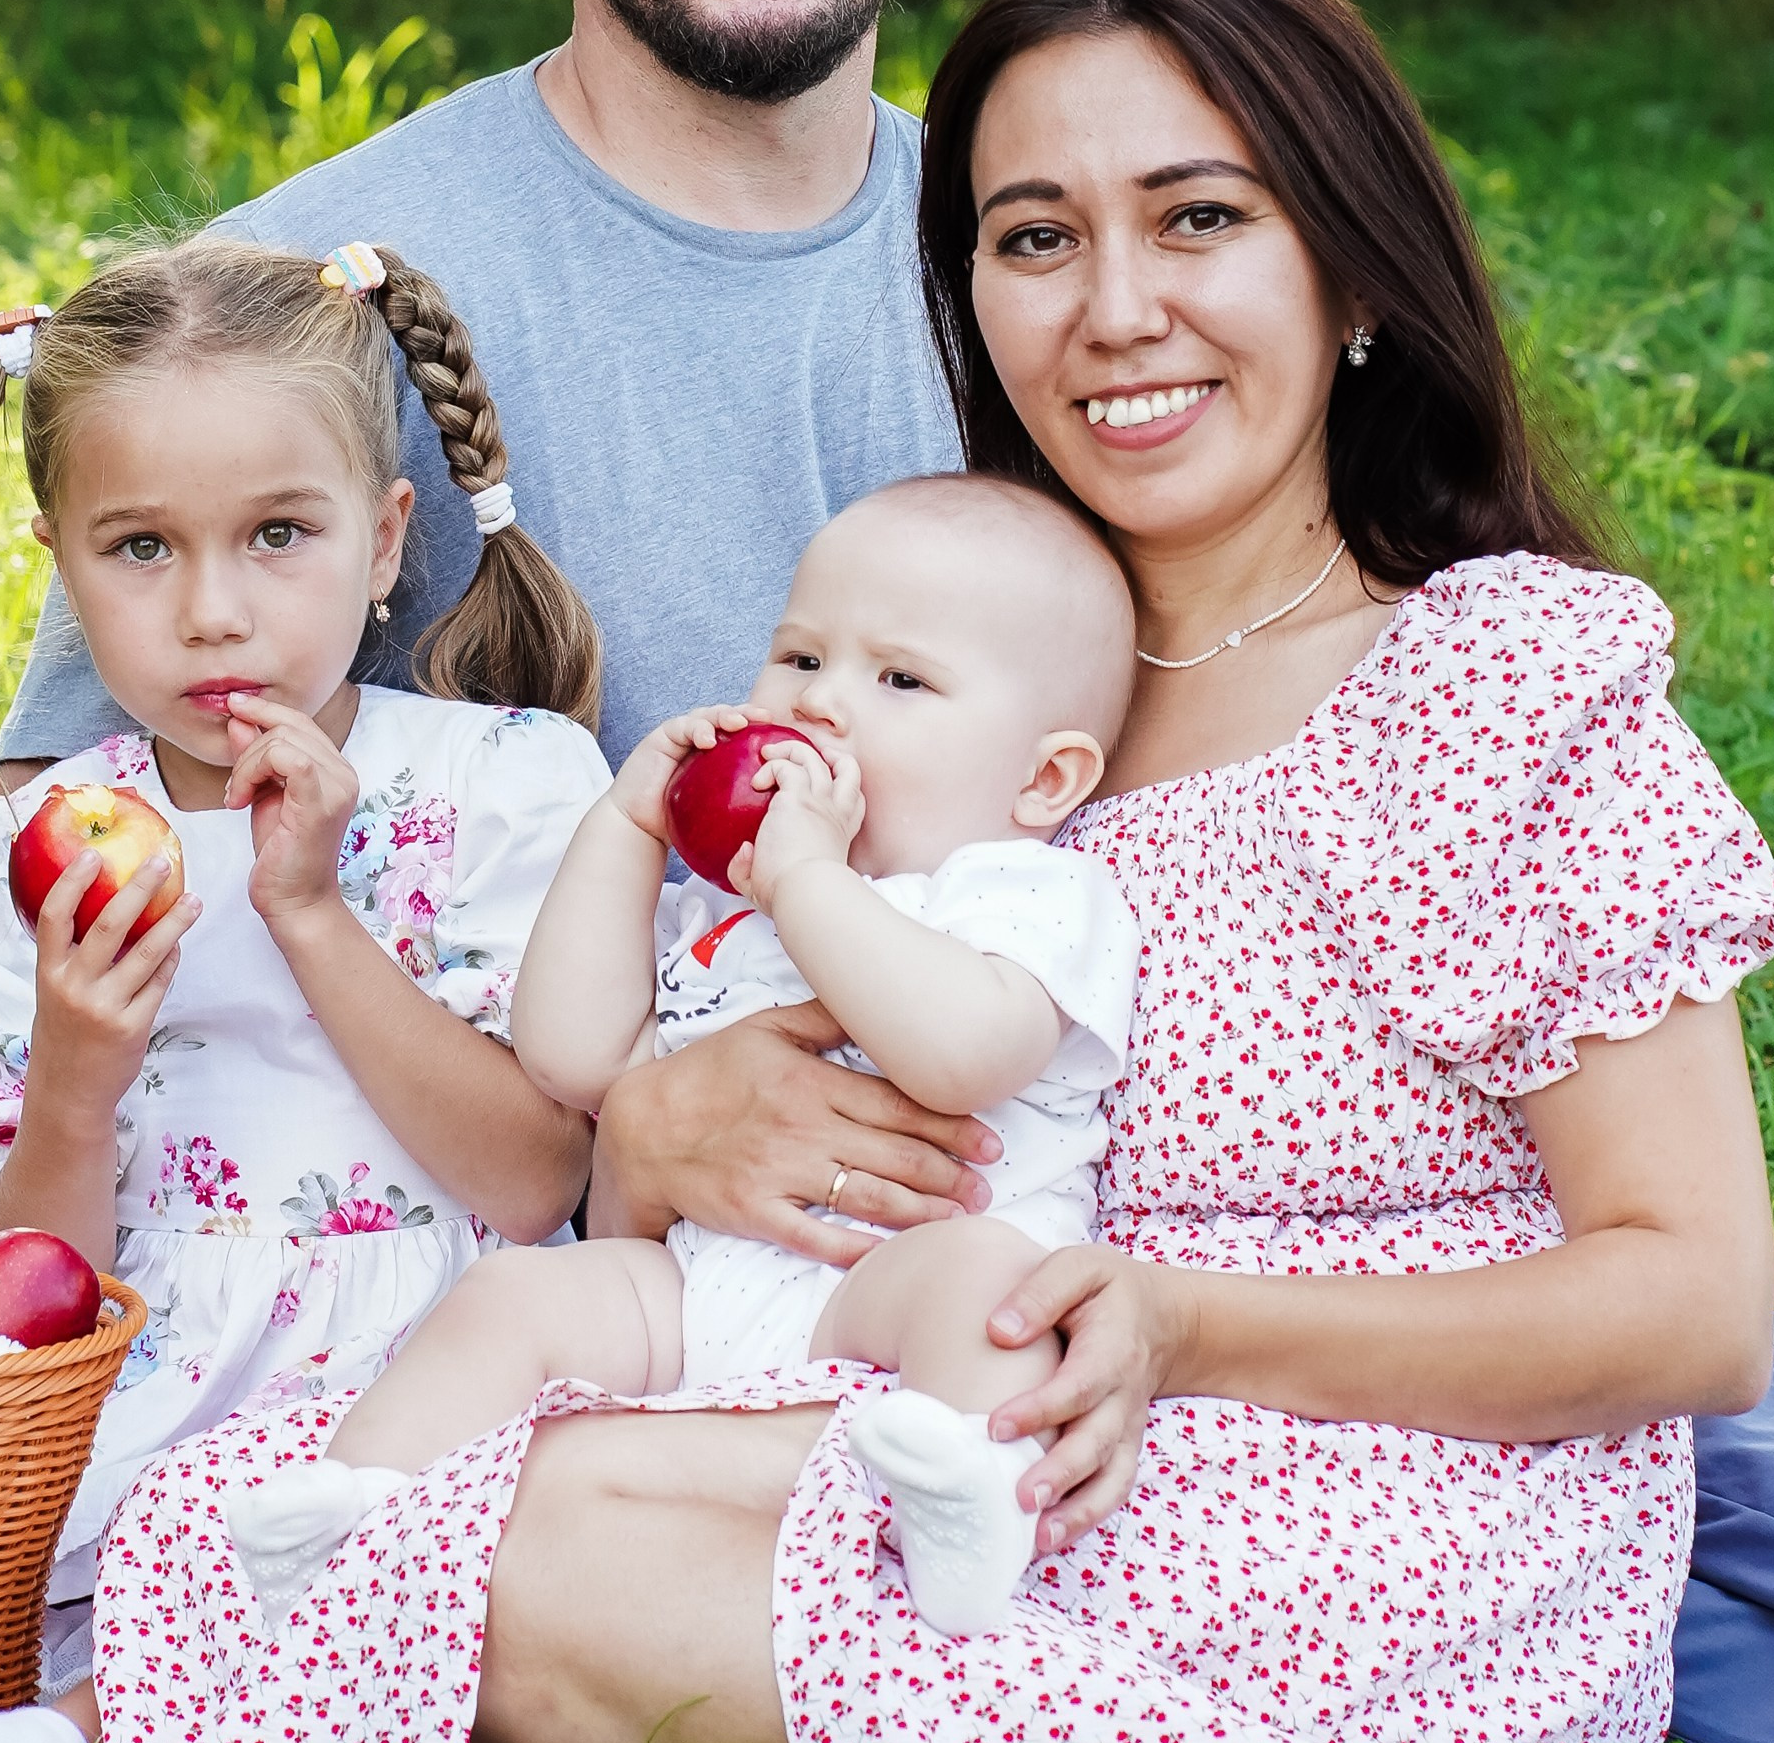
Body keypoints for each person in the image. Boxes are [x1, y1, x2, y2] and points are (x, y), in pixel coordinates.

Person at [0, 0, 1774, 1743]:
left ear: (1350, 272)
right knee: (420, 1505)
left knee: (499, 1555)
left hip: (1376, 1518)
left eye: (1199, 217)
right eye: (1033, 236)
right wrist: (664, 1116)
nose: (1112, 307)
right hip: (951, 1429)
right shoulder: (956, 657)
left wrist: (1172, 1322)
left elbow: (1693, 1299)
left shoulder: (1485, 683)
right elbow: (693, 1082)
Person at [0, 0, 983, 1270]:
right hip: (506, 1287)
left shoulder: (1044, 267)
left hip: (981, 1203)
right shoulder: (309, 300)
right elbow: (53, 868)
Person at [0, 229, 610, 1743]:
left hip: (425, 1352)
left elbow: (531, 1172)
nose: (213, 614)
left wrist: (310, 914)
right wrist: (76, 1075)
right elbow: (13, 1296)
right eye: (139, 550)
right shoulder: (36, 851)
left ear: (383, 542)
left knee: (359, 1517)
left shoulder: (505, 787)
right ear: (61, 563)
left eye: (277, 534)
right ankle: (17, 1741)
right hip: (146, 1361)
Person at [226, 476, 1139, 1640]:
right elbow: (575, 1056)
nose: (822, 708)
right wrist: (627, 828)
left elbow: (962, 1053)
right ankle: (356, 1512)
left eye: (898, 679)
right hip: (700, 1294)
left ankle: (969, 1503)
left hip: (896, 1295)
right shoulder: (727, 906)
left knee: (988, 1289)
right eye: (799, 658)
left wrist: (807, 879)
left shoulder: (1020, 890)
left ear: (1043, 779)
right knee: (515, 1290)